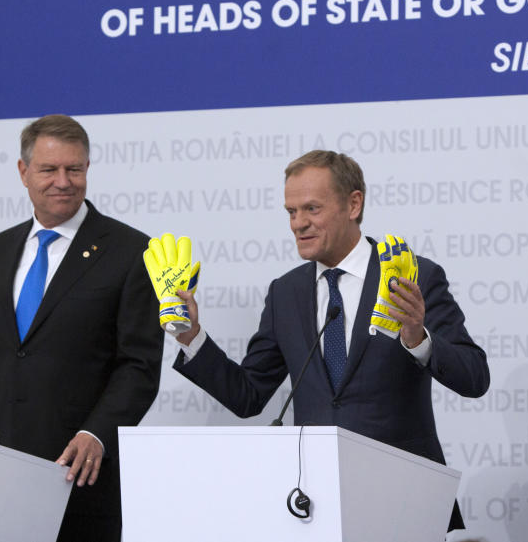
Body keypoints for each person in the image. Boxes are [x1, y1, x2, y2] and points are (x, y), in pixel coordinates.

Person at [170, 150, 490, 530]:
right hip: (316, 506)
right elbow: (248, 395)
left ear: (353, 204)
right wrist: (191, 337)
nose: (298, 224)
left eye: (311, 209)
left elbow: (474, 377)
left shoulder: (412, 277)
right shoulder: (286, 293)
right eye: (291, 212)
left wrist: (418, 337)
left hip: (407, 500)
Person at [0, 115, 163, 541]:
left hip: (76, 474)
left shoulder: (133, 251)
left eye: (74, 169)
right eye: (49, 169)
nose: (63, 181)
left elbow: (138, 365)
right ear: (23, 172)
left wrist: (96, 434)